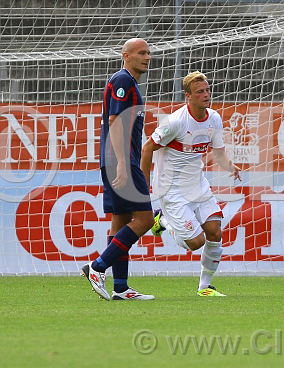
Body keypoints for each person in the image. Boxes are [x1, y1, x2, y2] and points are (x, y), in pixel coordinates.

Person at [140, 71, 241, 297]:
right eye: (200, 92)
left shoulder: (214, 118)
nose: (206, 95)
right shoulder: (175, 122)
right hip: (171, 189)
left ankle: (205, 287)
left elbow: (219, 154)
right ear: (188, 96)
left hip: (197, 185)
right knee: (196, 242)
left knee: (214, 232)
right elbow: (147, 148)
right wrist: (144, 184)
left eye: (207, 90)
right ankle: (162, 220)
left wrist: (230, 166)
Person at [82, 38, 155, 300]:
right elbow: (115, 121)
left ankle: (121, 288)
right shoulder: (123, 80)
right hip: (120, 160)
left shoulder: (128, 82)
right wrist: (123, 163)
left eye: (148, 53)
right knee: (145, 219)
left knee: (121, 219)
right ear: (126, 55)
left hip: (115, 160)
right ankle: (98, 266)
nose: (147, 57)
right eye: (141, 53)